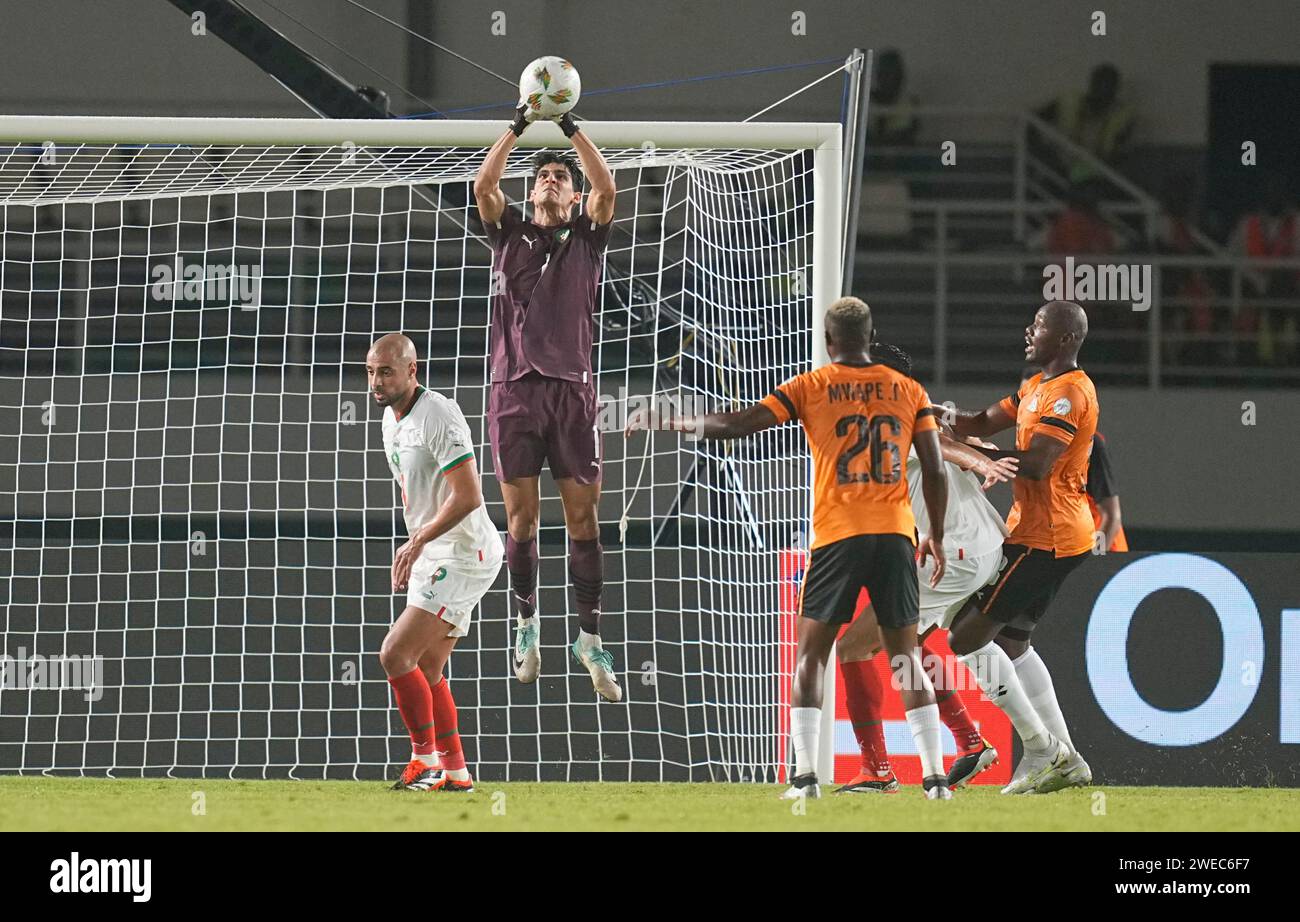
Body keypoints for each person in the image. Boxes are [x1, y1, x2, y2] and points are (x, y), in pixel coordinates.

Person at [628, 297, 955, 800]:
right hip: (894, 534)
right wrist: (933, 532)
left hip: (837, 535)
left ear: (828, 342)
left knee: (811, 656)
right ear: (870, 337)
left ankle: (804, 779)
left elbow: (735, 426)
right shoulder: (909, 390)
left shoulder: (811, 385)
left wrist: (669, 421)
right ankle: (935, 780)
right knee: (906, 658)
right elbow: (933, 467)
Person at [473, 98, 621, 700]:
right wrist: (517, 124)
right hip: (512, 392)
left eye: (562, 176)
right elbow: (483, 182)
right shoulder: (507, 232)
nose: (553, 180)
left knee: (584, 519)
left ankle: (588, 638)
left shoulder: (588, 236)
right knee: (522, 519)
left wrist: (567, 126)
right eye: (543, 176)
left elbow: (607, 186)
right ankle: (526, 625)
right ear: (531, 192)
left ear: (572, 194)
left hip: (571, 392)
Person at [835, 344, 1017, 794]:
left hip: (953, 554)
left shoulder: (892, 416)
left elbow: (949, 448)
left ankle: (878, 770)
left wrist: (980, 459)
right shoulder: (916, 410)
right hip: (979, 550)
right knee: (906, 645)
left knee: (855, 648)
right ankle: (971, 744)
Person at [939, 301, 1097, 795]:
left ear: (1067, 338)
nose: (1029, 331)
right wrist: (932, 416)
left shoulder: (1069, 393)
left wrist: (976, 456)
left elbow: (1037, 464)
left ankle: (1043, 749)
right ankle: (1065, 759)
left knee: (964, 638)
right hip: (1044, 534)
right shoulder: (1035, 387)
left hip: (1044, 538)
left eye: (1041, 326)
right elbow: (981, 421)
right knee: (1012, 643)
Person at [368, 334, 504, 792]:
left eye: (386, 371)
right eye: (370, 371)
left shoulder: (439, 414)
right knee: (425, 671)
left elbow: (468, 496)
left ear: (412, 369)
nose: (376, 381)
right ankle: (457, 772)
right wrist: (420, 542)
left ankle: (423, 762)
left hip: (464, 552)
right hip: (433, 549)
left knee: (394, 653)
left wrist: (415, 541)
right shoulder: (390, 419)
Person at [1035, 64, 1135, 185]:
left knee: (1087, 188)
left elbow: (1119, 153)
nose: (1104, 90)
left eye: (1109, 86)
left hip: (1094, 173)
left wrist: (1088, 172)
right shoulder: (1069, 102)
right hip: (1060, 166)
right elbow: (1032, 121)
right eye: (1100, 83)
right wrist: (1042, 152)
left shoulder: (1122, 116)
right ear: (1092, 84)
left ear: (1116, 89)